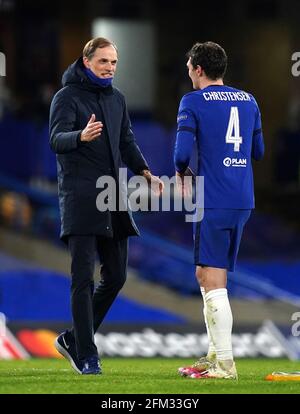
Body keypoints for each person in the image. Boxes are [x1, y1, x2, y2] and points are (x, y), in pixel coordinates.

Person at [49, 37, 163, 375]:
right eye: (103, 62)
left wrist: (145, 171)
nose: (110, 68)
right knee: (82, 279)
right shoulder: (66, 97)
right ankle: (87, 354)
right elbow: (56, 139)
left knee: (116, 276)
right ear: (87, 61)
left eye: (114, 62)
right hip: (81, 197)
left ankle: (73, 339)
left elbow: (126, 140)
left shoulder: (117, 100)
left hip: (113, 196)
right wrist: (80, 136)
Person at [174, 41, 264, 379]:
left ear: (198, 69)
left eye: (189, 69)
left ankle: (225, 364)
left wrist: (182, 173)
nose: (189, 75)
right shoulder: (250, 100)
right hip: (243, 199)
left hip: (213, 198)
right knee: (207, 274)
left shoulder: (193, 101)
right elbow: (258, 150)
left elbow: (182, 154)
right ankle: (214, 354)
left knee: (212, 280)